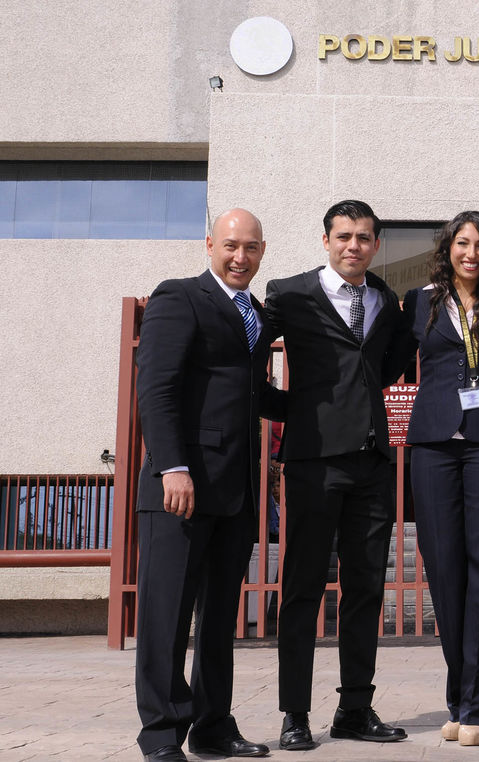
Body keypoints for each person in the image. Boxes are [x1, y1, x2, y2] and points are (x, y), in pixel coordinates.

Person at [264, 200, 416, 751]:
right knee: (302, 588)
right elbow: (251, 365)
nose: (354, 245)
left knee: (365, 589)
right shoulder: (288, 294)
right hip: (314, 462)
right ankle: (295, 714)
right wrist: (294, 411)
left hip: (372, 463)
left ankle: (355, 708)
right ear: (326, 240)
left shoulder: (386, 301)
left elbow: (388, 367)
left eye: (364, 237)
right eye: (344, 236)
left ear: (375, 244)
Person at [134, 208, 284, 762]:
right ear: (210, 245)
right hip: (181, 488)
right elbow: (157, 387)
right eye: (230, 246)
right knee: (167, 618)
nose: (240, 257)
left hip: (235, 492)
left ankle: (213, 726)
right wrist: (172, 466)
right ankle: (161, 734)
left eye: (251, 247)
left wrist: (331, 402)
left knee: (219, 620)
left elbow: (255, 393)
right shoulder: (179, 297)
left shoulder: (255, 314)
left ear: (262, 250)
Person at [402, 211, 479, 746]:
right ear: (447, 248)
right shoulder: (418, 302)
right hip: (432, 443)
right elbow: (388, 360)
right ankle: (458, 695)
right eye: (461, 243)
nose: (470, 253)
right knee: (444, 570)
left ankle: (476, 706)